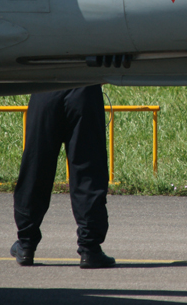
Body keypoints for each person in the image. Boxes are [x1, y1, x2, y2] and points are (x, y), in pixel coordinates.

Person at [10, 86, 115, 269]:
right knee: (88, 169)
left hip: (47, 85)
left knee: (36, 165)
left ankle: (26, 243)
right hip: (84, 86)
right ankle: (90, 248)